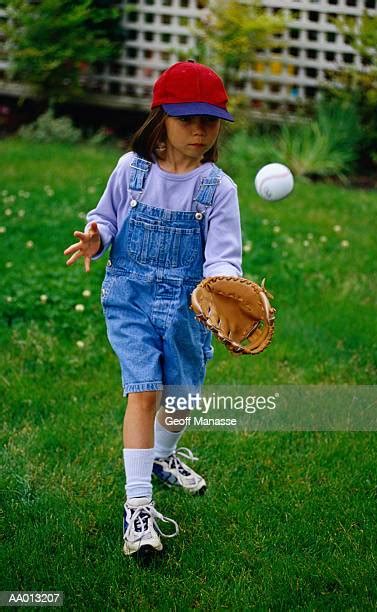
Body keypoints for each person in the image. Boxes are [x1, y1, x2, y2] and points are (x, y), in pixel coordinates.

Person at [63, 60, 242, 558]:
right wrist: (97, 238)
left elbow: (223, 256)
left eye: (211, 121)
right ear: (160, 116)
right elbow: (105, 218)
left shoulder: (219, 189)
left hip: (189, 308)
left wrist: (220, 288)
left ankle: (163, 458)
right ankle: (137, 507)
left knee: (181, 399)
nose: (201, 130)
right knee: (143, 393)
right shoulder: (131, 170)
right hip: (131, 298)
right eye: (188, 119)